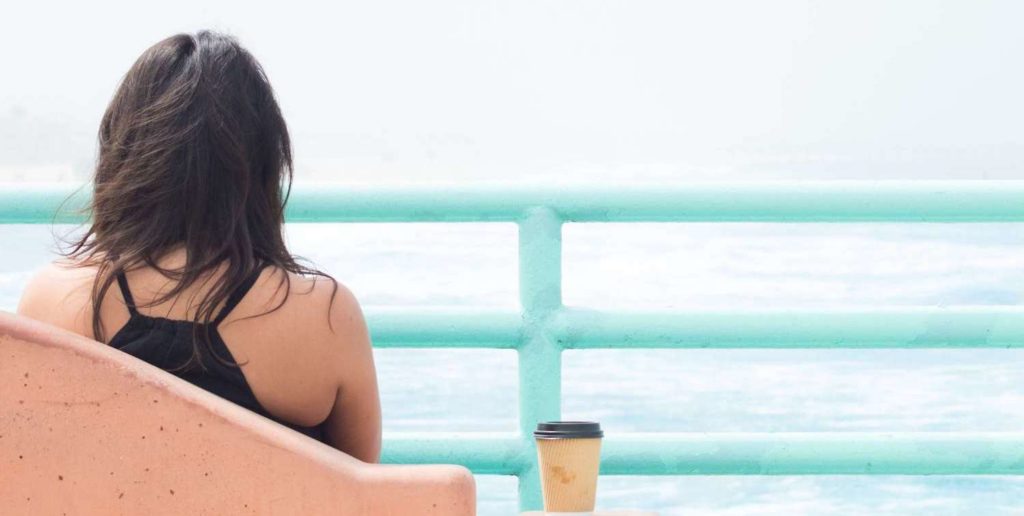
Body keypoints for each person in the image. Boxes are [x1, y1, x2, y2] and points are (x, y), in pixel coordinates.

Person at [16, 31, 381, 463]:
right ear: (262, 167)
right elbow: (361, 490)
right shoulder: (324, 317)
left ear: (124, 157)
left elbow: (28, 470)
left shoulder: (51, 300)